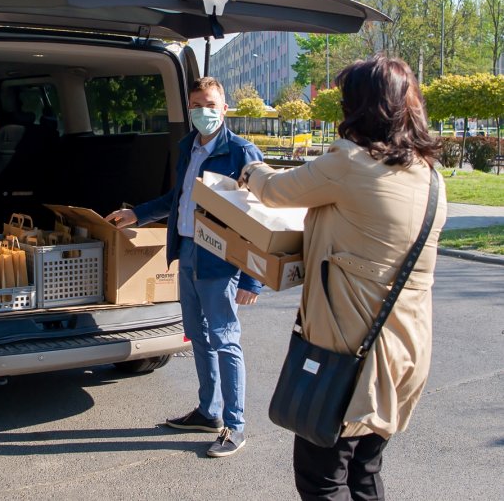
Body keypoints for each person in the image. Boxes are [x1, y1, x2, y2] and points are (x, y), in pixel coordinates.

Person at [238, 56, 447, 499]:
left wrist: (250, 169)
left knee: (322, 477)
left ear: (363, 107)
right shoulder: (430, 176)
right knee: (366, 469)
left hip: (349, 355)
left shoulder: (350, 162)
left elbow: (276, 191)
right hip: (405, 350)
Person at [105, 76, 263, 458]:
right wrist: (136, 214)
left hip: (221, 262)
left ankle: (235, 424)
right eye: (195, 105)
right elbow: (178, 199)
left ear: (224, 108)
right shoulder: (187, 147)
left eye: (210, 104)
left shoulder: (242, 152)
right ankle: (208, 412)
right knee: (198, 335)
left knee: (225, 340)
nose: (202, 112)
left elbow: (261, 218)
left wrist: (253, 280)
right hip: (188, 252)